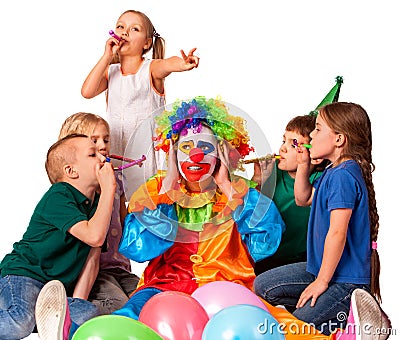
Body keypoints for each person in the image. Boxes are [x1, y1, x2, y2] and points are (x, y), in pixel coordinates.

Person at [106, 97, 345, 340]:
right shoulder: (157, 190)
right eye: (186, 148)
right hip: (163, 286)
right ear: (173, 153)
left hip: (227, 288)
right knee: (129, 319)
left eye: (206, 148)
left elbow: (266, 242)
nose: (196, 155)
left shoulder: (238, 191)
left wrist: (226, 186)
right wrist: (168, 190)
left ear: (222, 152)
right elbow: (135, 248)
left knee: (272, 324)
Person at [254, 102, 391, 337]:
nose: (312, 136)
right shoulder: (332, 171)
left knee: (294, 330)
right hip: (322, 271)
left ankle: (354, 321)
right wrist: (305, 165)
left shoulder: (343, 176)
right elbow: (303, 198)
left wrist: (321, 282)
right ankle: (326, 314)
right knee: (263, 286)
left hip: (345, 281)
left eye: (318, 129)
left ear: (339, 139)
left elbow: (337, 232)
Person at [0, 134, 116, 340]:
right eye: (92, 154)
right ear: (71, 171)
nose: (102, 157)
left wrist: (78, 303)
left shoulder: (97, 204)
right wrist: (109, 188)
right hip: (25, 275)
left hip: (54, 292)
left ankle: (48, 321)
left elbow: (92, 258)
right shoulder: (59, 195)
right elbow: (94, 236)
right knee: (20, 322)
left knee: (88, 314)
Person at [81, 9, 200, 198]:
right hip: (117, 152)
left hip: (146, 156)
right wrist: (106, 56)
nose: (125, 32)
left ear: (147, 43)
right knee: (117, 203)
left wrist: (183, 64)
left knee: (144, 202)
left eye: (134, 29)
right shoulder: (110, 71)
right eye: (120, 26)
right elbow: (86, 92)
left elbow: (168, 64)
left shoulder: (150, 68)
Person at [58, 112, 140, 314]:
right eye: (94, 141)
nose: (103, 145)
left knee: (149, 300)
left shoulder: (118, 181)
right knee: (118, 307)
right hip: (90, 273)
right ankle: (64, 313)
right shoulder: (74, 189)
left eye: (106, 139)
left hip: (120, 267)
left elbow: (125, 225)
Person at [253, 115, 328, 274]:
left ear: (315, 157)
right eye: (283, 141)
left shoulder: (322, 182)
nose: (283, 149)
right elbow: (253, 219)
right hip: (266, 257)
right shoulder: (272, 174)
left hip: (303, 261)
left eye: (293, 144)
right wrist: (259, 181)